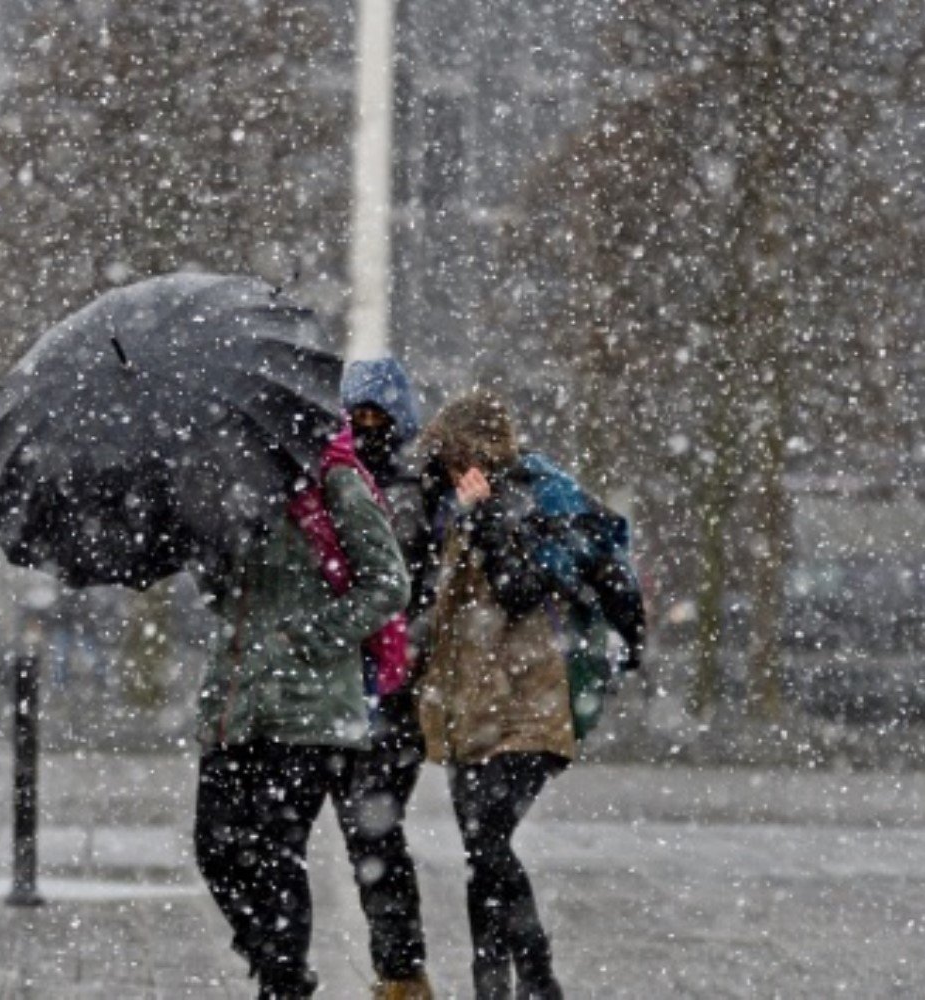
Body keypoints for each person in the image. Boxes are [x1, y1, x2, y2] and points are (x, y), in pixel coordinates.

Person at [414, 391, 646, 1000]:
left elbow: (522, 589)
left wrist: (486, 518)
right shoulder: (453, 505)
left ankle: (537, 981)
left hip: (534, 702)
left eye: (452, 455)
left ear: (478, 451)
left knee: (488, 839)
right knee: (480, 851)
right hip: (471, 703)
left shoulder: (532, 498)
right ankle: (492, 986)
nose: (445, 468)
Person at [191, 426, 410, 999]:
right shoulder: (230, 487)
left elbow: (388, 583)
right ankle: (277, 965)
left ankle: (283, 982)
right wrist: (210, 553)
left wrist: (312, 638)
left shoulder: (334, 483)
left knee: (273, 850)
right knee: (214, 847)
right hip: (236, 703)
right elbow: (225, 597)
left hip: (308, 708)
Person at [334, 358, 438, 999]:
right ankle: (398, 969)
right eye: (358, 416)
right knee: (370, 832)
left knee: (373, 830)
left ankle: (400, 970)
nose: (369, 427)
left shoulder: (412, 486)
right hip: (357, 682)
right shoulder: (342, 479)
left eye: (380, 416)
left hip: (392, 684)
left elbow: (398, 575)